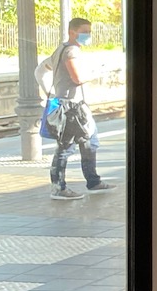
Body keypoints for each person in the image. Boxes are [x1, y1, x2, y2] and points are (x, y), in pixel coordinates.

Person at [48, 17, 113, 201]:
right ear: (72, 32)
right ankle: (58, 187)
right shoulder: (71, 51)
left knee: (90, 142)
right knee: (65, 147)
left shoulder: (61, 49)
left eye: (89, 31)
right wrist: (95, 73)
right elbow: (77, 78)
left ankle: (93, 181)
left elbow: (45, 67)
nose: (88, 35)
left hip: (74, 106)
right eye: (84, 31)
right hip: (71, 108)